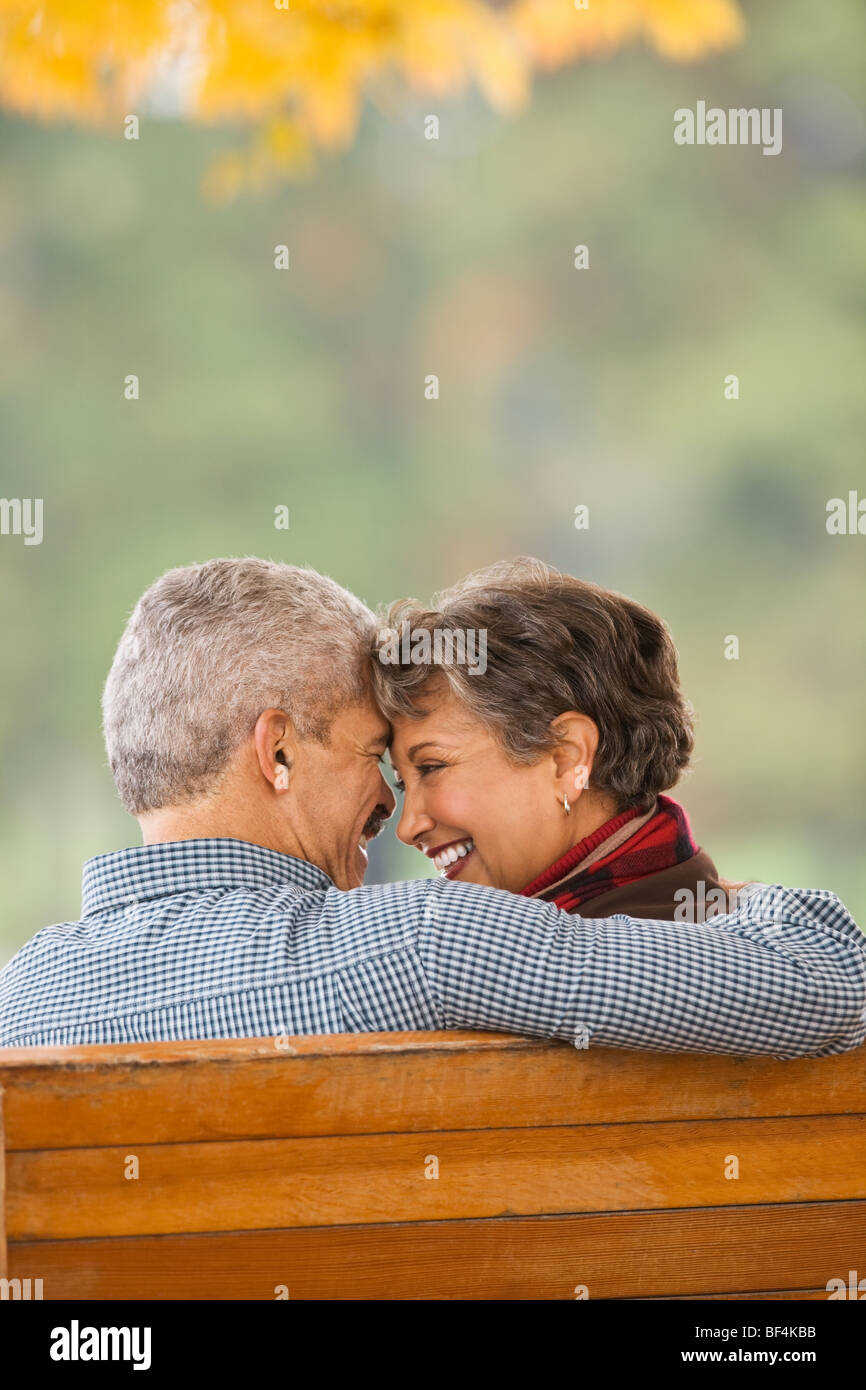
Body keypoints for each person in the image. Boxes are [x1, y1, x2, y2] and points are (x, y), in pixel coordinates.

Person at [0, 557, 863, 1059]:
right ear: (278, 752)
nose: (393, 807)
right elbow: (835, 980)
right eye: (378, 757)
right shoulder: (415, 945)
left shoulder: (19, 1003)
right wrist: (743, 902)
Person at [373, 557, 734, 921]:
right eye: (403, 784)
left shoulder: (610, 962)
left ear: (566, 758)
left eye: (432, 767)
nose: (407, 827)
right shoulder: (695, 904)